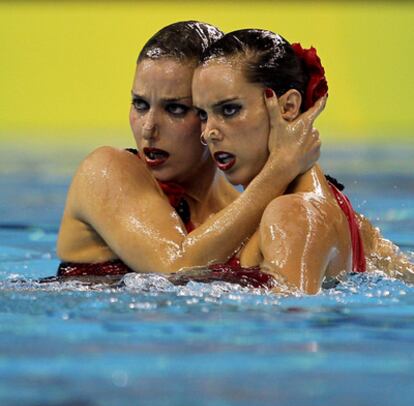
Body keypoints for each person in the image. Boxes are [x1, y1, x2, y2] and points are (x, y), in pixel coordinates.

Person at [56, 22, 322, 278]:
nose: (148, 128)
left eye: (175, 109)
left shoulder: (243, 209)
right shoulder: (106, 171)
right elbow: (175, 268)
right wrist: (281, 168)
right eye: (139, 104)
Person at [192, 29, 414, 294]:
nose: (209, 133)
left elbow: (285, 327)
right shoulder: (350, 219)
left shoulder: (292, 215)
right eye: (203, 115)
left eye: (229, 109)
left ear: (288, 107)